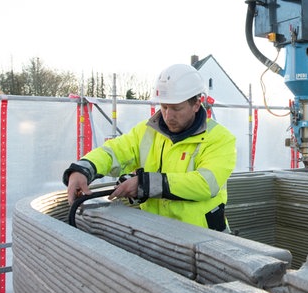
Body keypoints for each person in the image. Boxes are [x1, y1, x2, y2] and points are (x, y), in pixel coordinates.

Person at [63, 64, 237, 231]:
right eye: (164, 106)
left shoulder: (220, 139)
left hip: (206, 242)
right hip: (156, 236)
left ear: (197, 104)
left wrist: (145, 184)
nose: (168, 116)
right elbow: (114, 151)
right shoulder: (148, 132)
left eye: (176, 108)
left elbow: (205, 184)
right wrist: (83, 169)